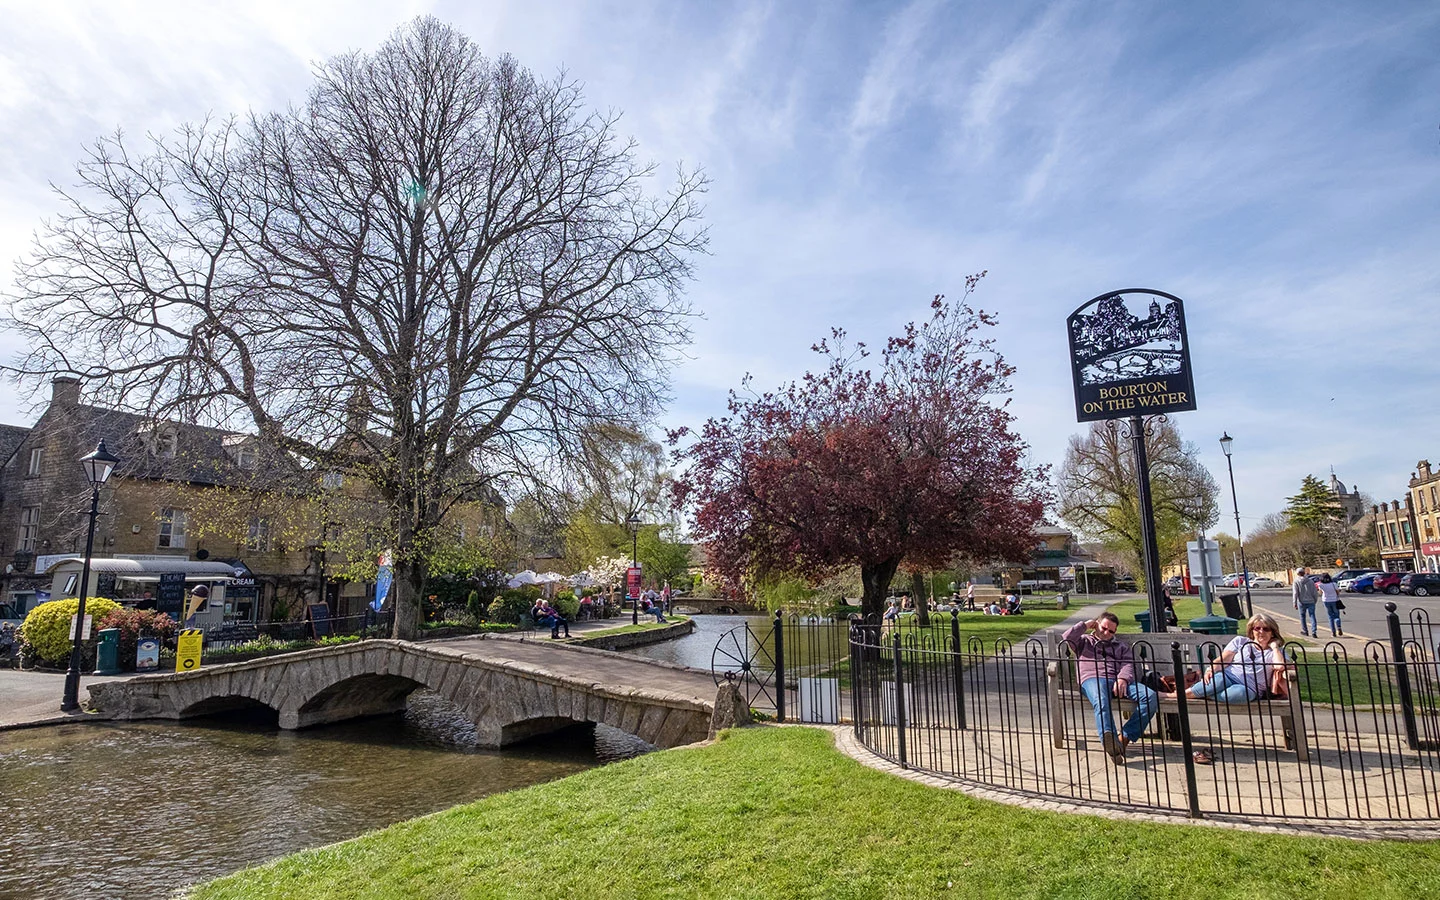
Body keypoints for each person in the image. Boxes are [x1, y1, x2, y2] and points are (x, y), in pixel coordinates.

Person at [1060, 611, 1157, 764]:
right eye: (1104, 628)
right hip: (1092, 679)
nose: (1106, 633)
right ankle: (1109, 739)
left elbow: (1128, 664)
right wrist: (1085, 625)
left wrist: (1123, 678)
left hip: (1118, 681)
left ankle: (1123, 738)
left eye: (1111, 631)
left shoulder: (1121, 646)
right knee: (1101, 699)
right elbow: (1067, 637)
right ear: (1096, 625)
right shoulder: (1083, 641)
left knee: (1150, 697)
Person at [1175, 614, 1286, 704]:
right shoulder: (1241, 641)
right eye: (1257, 628)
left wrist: (1274, 647)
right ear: (1252, 631)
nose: (1261, 632)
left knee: (1240, 694)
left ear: (1272, 633)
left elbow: (1280, 666)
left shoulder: (1277, 652)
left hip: (1249, 688)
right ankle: (1172, 696)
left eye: (1266, 629)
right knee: (1217, 682)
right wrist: (1210, 670)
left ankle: (1201, 695)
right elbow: (1222, 660)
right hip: (1228, 676)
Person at [1293, 567, 1319, 637]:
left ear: (1298, 574)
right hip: (1311, 601)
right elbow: (1315, 592)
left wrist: (1294, 602)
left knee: (1302, 616)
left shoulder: (1296, 581)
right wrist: (1315, 600)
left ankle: (1305, 631)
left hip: (1301, 602)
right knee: (1312, 616)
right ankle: (1314, 632)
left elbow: (1295, 593)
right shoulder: (1310, 581)